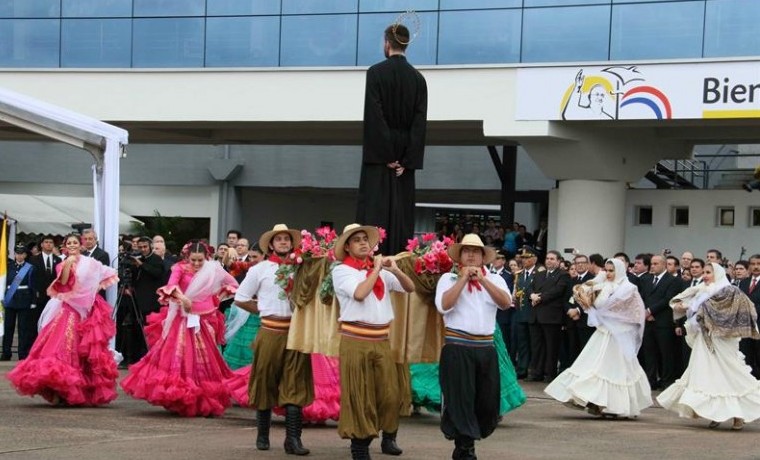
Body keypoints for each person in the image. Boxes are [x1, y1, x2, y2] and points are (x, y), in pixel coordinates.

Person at [120, 240, 240, 417]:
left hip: (203, 319)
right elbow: (170, 286)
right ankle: (179, 397)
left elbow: (232, 283)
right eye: (194, 260)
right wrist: (183, 298)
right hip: (183, 319)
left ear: (206, 257)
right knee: (181, 357)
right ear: (187, 257)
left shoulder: (212, 269)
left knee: (204, 359)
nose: (197, 264)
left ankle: (202, 397)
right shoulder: (179, 268)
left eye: (200, 260)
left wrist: (216, 295)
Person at [332, 223, 415, 460]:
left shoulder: (379, 270)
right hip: (355, 339)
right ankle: (360, 447)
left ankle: (386, 435)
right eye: (356, 240)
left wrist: (396, 270)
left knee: (390, 394)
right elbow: (360, 293)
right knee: (360, 395)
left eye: (365, 239)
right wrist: (376, 270)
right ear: (347, 247)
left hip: (381, 339)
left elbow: (409, 288)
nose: (363, 243)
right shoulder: (342, 271)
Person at [7, 233, 119, 406]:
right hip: (69, 308)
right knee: (62, 345)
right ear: (65, 247)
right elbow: (64, 282)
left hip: (88, 309)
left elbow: (108, 274)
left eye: (75, 242)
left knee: (87, 349)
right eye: (69, 243)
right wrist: (68, 264)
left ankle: (83, 390)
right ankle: (60, 388)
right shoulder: (61, 264)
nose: (73, 245)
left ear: (81, 245)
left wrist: (93, 290)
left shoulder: (91, 262)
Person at [234, 224, 313, 455]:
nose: (283, 242)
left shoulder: (302, 268)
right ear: (271, 244)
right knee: (265, 380)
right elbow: (240, 298)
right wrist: (264, 310)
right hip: (269, 330)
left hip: (296, 332)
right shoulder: (259, 269)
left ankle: (293, 439)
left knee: (295, 384)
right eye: (278, 239)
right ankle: (263, 434)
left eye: (287, 239)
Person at [435, 234, 512, 460]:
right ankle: (466, 447)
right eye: (466, 251)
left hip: (485, 348)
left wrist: (483, 280)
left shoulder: (495, 279)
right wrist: (462, 280)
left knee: (486, 402)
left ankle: (465, 444)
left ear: (482, 257)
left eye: (476, 251)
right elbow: (443, 306)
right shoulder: (447, 280)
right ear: (459, 256)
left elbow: (506, 303)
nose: (471, 255)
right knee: (460, 399)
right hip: (458, 346)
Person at [657, 262, 760, 430]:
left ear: (717, 274)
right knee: (708, 376)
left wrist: (700, 309)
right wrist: (684, 308)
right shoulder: (701, 291)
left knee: (730, 375)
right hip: (705, 340)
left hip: (724, 341)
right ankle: (716, 413)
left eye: (708, 272)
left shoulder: (730, 290)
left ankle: (738, 415)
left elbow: (738, 312)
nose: (704, 275)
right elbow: (684, 305)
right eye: (703, 272)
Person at [545, 258, 652, 418]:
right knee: (593, 365)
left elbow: (634, 313)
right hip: (603, 332)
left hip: (619, 334)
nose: (608, 274)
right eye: (607, 270)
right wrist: (586, 300)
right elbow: (588, 298)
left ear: (620, 271)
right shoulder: (602, 285)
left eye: (612, 271)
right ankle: (596, 402)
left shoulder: (629, 288)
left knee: (616, 369)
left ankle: (616, 406)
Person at [357, 21, 428, 254]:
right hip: (404, 157)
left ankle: (370, 261)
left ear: (387, 44)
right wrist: (406, 160)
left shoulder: (376, 73)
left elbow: (374, 115)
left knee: (374, 211)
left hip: (381, 156)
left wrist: (386, 154)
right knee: (401, 214)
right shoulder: (418, 79)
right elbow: (419, 122)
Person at [528, 250, 571, 382]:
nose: (549, 261)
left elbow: (557, 291)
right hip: (536, 315)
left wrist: (539, 297)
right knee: (537, 346)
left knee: (551, 347)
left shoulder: (563, 275)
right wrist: (531, 295)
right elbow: (530, 287)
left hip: (551, 316)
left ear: (558, 261)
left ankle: (549, 374)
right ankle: (536, 372)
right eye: (547, 258)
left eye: (552, 259)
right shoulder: (539, 274)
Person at [2, 244, 36, 360]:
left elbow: (33, 286)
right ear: (15, 254)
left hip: (24, 300)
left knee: (23, 328)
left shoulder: (30, 268)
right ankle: (6, 353)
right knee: (8, 327)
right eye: (17, 253)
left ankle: (22, 353)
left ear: (25, 255)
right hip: (10, 299)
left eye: (21, 253)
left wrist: (33, 301)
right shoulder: (8, 266)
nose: (19, 256)